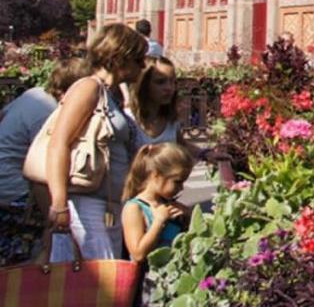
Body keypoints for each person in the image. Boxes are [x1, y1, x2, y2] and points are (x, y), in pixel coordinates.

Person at [46, 24, 145, 262]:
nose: (142, 66)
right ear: (119, 58)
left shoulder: (111, 94)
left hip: (106, 205)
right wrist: (59, 205)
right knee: (95, 285)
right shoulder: (88, 88)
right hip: (87, 205)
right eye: (138, 59)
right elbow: (59, 142)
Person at [0, 58, 93, 265]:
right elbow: (47, 160)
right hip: (14, 188)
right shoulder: (50, 112)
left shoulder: (33, 95)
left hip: (4, 178)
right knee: (37, 238)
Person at [122, 143, 193, 304]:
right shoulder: (134, 208)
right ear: (155, 175)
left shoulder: (168, 205)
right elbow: (138, 254)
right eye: (177, 181)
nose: (181, 187)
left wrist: (188, 218)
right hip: (149, 285)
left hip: (175, 279)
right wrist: (159, 221)